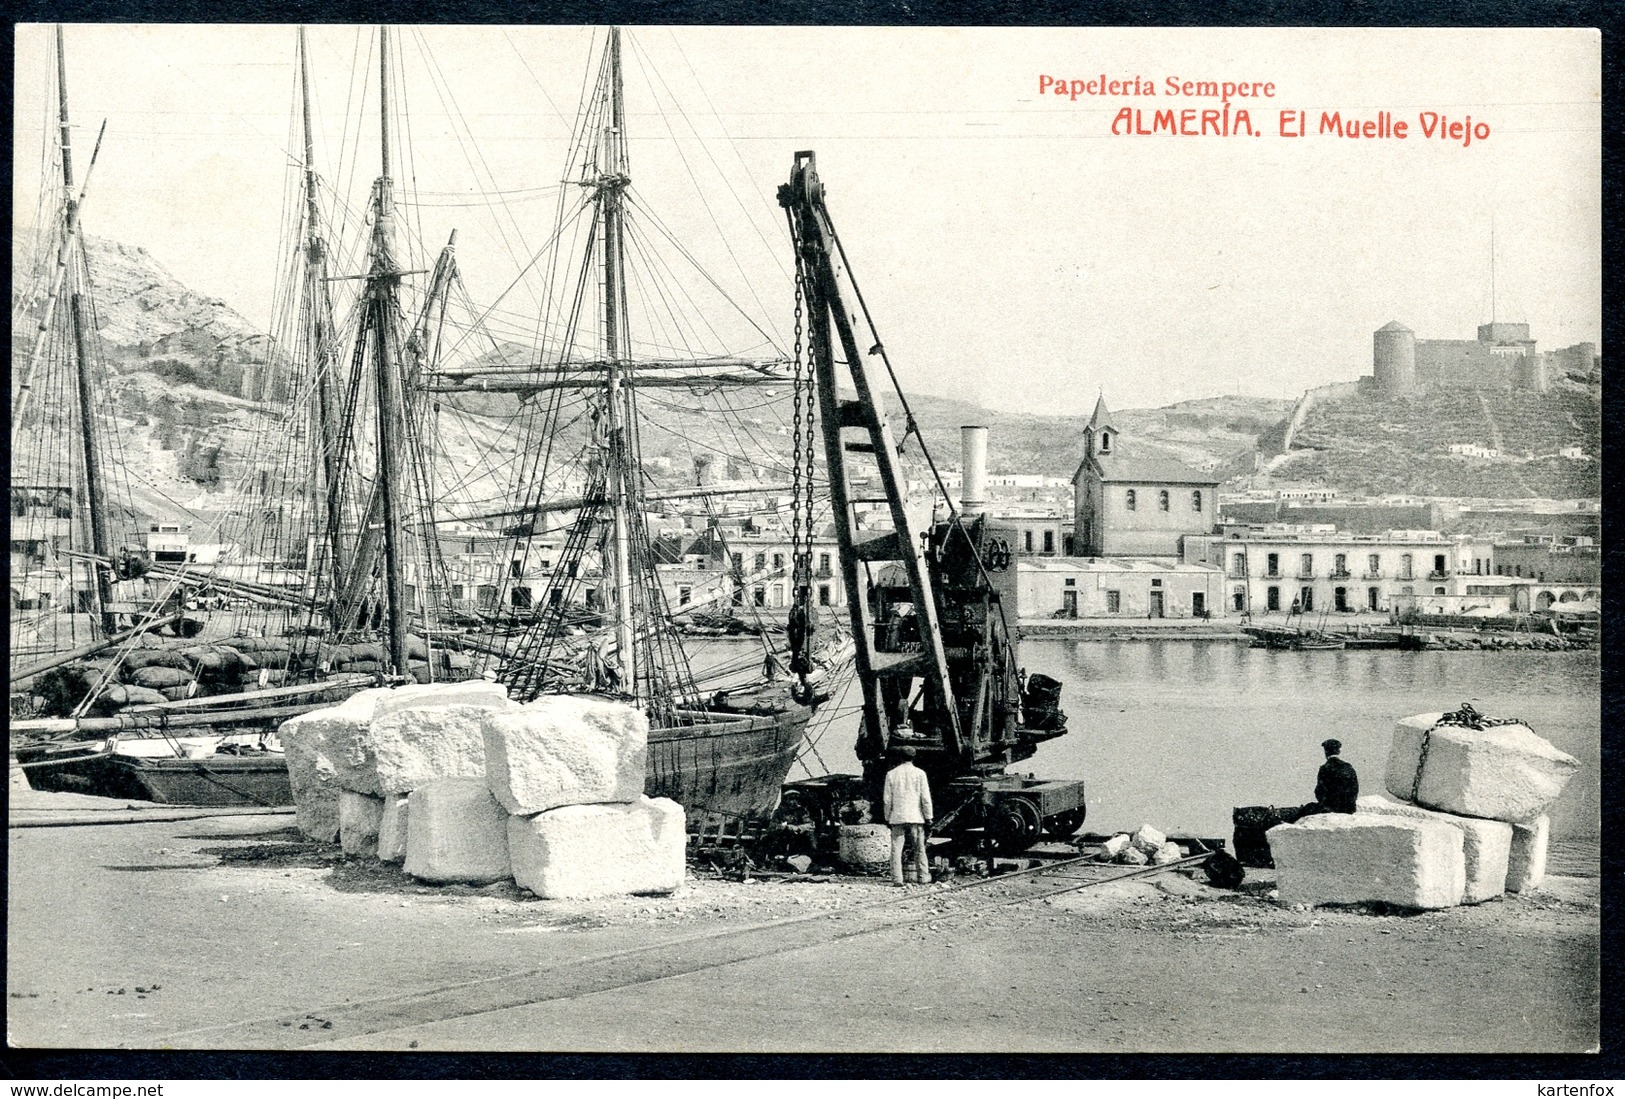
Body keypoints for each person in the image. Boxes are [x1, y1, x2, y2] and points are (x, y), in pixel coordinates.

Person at [882, 746, 933, 887]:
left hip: (897, 816)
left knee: (896, 849)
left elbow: (887, 799)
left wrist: (887, 816)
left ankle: (897, 879)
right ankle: (923, 876)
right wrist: (928, 816)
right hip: (916, 817)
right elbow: (925, 798)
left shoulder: (891, 774)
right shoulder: (920, 774)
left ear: (899, 757)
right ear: (914, 757)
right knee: (919, 848)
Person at [1297, 738, 1359, 819]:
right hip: (1349, 809)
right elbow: (1355, 788)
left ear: (1326, 752)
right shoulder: (1348, 767)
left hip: (1332, 808)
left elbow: (1319, 791)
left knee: (1307, 808)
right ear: (1338, 751)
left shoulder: (1325, 768)